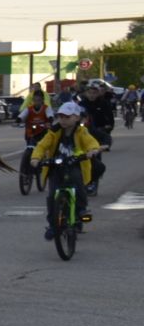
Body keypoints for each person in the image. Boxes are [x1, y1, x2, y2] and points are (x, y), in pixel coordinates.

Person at [32, 102, 104, 239]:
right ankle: (53, 225)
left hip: (75, 164)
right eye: (61, 117)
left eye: (67, 117)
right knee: (52, 196)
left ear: (76, 118)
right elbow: (41, 146)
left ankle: (82, 209)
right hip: (56, 167)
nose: (63, 120)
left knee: (78, 182)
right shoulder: (53, 132)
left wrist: (92, 150)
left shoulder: (81, 131)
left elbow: (90, 142)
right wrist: (35, 158)